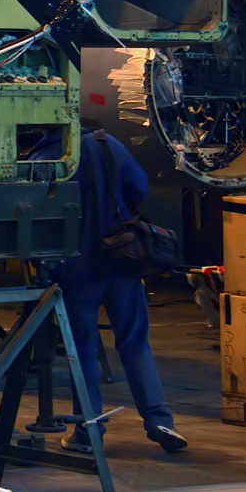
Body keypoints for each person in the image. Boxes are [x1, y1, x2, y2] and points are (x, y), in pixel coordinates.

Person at [31, 126, 188, 454]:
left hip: (75, 269)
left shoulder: (40, 160)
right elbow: (138, 187)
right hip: (121, 260)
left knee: (82, 351)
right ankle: (160, 420)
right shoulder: (107, 142)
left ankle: (89, 433)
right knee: (135, 343)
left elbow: (34, 219)